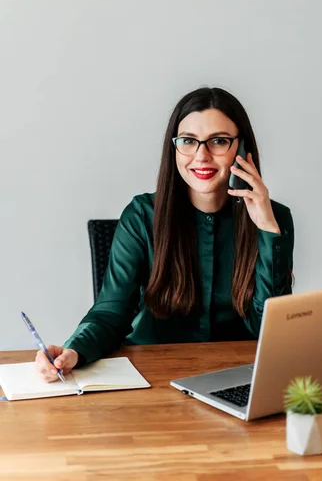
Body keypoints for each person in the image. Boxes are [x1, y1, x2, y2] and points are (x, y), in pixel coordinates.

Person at [36, 87, 294, 382]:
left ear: (242, 148)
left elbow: (272, 331)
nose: (201, 156)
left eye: (219, 141)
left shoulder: (275, 218)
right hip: (152, 377)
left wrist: (267, 230)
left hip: (238, 377)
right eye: (188, 141)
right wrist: (74, 350)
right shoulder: (142, 216)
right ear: (175, 148)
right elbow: (111, 312)